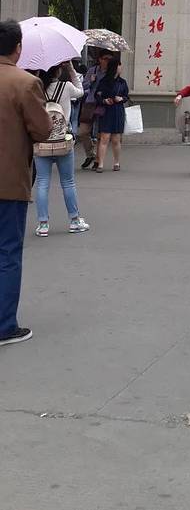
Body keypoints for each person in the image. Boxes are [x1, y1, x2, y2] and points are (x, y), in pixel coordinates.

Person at [0, 19, 51, 346]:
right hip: (9, 181)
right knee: (7, 252)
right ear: (18, 48)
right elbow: (43, 130)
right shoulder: (26, 83)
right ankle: (5, 325)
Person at [34, 62, 89, 237]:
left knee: (42, 182)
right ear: (59, 70)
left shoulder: (36, 88)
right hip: (63, 141)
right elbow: (81, 91)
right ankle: (74, 221)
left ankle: (43, 224)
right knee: (68, 182)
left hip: (42, 141)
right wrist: (71, 68)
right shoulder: (66, 87)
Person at [94, 59, 129, 172]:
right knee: (104, 138)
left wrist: (121, 98)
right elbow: (97, 95)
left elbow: (126, 96)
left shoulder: (122, 82)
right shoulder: (104, 81)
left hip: (118, 111)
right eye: (119, 65)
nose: (121, 68)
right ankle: (100, 164)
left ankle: (116, 162)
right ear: (115, 67)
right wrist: (104, 100)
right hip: (106, 111)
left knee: (116, 139)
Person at [77, 51, 111, 168]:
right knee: (83, 131)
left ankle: (98, 160)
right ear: (100, 59)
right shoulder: (93, 70)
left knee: (99, 134)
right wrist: (90, 81)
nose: (107, 61)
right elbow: (83, 86)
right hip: (90, 103)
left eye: (109, 59)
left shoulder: (111, 72)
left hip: (103, 104)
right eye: (105, 58)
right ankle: (90, 154)